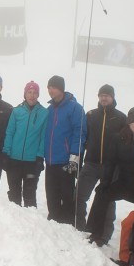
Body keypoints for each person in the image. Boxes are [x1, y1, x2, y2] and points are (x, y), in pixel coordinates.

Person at [85, 106, 134, 251]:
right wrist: (105, 182)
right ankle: (96, 233)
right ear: (129, 123)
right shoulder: (119, 137)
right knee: (101, 194)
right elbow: (110, 162)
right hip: (123, 181)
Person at [75, 84, 126, 231]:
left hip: (110, 167)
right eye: (101, 95)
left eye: (107, 95)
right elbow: (82, 139)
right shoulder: (90, 115)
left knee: (108, 201)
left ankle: (104, 234)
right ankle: (79, 227)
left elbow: (125, 143)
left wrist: (120, 167)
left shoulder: (121, 118)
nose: (104, 98)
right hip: (91, 163)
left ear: (112, 97)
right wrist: (79, 160)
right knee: (79, 195)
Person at [43, 75, 86, 225]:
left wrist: (74, 156)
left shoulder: (75, 108)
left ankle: (67, 223)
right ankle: (53, 220)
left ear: (61, 88)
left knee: (67, 194)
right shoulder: (49, 109)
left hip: (66, 160)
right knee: (51, 194)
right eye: (48, 87)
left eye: (53, 87)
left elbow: (79, 132)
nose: (50, 90)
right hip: (50, 160)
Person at [2, 81, 48, 207]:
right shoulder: (16, 111)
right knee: (14, 194)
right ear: (25, 94)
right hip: (14, 160)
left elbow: (44, 137)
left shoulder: (44, 113)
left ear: (38, 95)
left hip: (32, 162)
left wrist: (40, 157)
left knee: (29, 195)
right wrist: (6, 153)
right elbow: (10, 132)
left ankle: (30, 223)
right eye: (29, 92)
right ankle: (14, 223)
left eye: (35, 93)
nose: (32, 95)